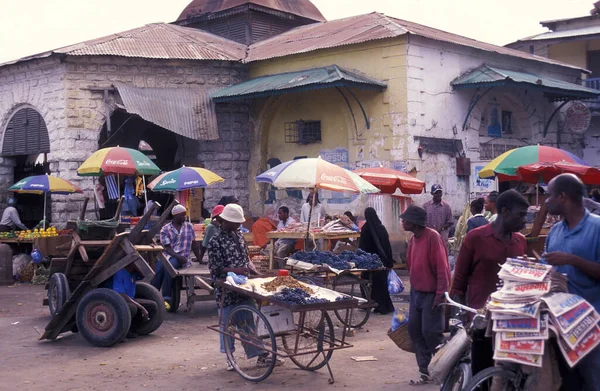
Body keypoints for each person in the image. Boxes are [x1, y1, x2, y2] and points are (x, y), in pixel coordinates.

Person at [451, 189, 529, 376]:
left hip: (512, 320)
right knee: (482, 371)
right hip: (481, 320)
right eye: (520, 216)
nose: (523, 221)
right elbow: (460, 279)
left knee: (511, 375)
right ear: (504, 212)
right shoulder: (475, 238)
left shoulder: (520, 241)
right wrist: (463, 316)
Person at [208, 204, 282, 371]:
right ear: (224, 221)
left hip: (243, 286)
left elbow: (245, 260)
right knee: (227, 325)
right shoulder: (216, 241)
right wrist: (236, 270)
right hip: (226, 289)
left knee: (248, 321)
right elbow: (215, 269)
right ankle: (229, 356)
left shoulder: (239, 236)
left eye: (238, 223)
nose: (237, 226)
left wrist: (254, 272)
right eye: (234, 223)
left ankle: (260, 355)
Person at [543, 174, 600, 391]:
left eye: (549, 196)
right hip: (560, 328)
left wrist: (571, 260)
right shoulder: (555, 231)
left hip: (592, 328)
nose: (546, 201)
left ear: (563, 197)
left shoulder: (597, 227)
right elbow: (547, 266)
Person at [401, 205, 450, 385]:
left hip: (431, 293)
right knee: (415, 331)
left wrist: (440, 294)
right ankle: (425, 371)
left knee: (431, 332)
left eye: (405, 220)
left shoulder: (433, 238)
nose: (403, 222)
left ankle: (445, 366)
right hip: (416, 293)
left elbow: (442, 268)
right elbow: (409, 264)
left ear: (414, 222)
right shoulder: (413, 240)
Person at [151, 204, 202, 309]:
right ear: (175, 216)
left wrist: (199, 259)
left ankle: (166, 298)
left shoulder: (189, 226)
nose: (184, 217)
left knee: (169, 267)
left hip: (183, 258)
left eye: (185, 215)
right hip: (169, 255)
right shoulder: (165, 229)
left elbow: (194, 244)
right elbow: (167, 247)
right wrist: (177, 256)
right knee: (159, 269)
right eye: (182, 215)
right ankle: (152, 295)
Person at [358, 207, 395, 314]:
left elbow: (363, 247)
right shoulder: (381, 227)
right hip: (383, 261)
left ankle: (368, 303)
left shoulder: (366, 229)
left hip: (370, 262)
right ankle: (383, 306)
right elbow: (387, 246)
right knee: (381, 285)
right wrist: (389, 261)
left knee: (365, 281)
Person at [105, 263, 150, 339]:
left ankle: (134, 328)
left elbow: (149, 273)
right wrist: (141, 307)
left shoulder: (133, 273)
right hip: (117, 300)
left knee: (152, 305)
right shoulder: (119, 272)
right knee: (132, 308)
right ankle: (122, 332)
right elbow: (121, 295)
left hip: (130, 299)